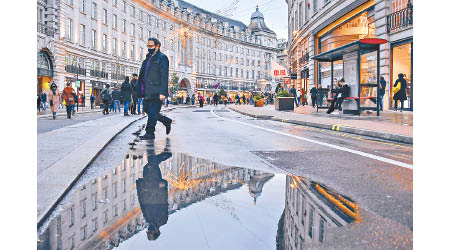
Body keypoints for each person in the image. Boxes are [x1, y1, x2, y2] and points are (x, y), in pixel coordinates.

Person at [137, 38, 172, 140]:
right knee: (148, 110)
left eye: (151, 46)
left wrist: (163, 92)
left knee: (152, 111)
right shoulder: (147, 59)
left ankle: (150, 133)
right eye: (148, 46)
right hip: (147, 90)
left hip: (157, 90)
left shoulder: (162, 58)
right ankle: (166, 121)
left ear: (157, 46)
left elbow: (164, 76)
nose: (149, 48)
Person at [136, 139, 172, 241]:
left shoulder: (148, 219)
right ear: (156, 232)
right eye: (150, 232)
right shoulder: (162, 220)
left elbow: (142, 203)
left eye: (148, 232)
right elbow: (163, 203)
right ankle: (164, 153)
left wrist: (139, 187)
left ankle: (156, 149)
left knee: (148, 166)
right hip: (156, 187)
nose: (148, 230)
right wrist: (163, 187)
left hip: (146, 187)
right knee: (150, 165)